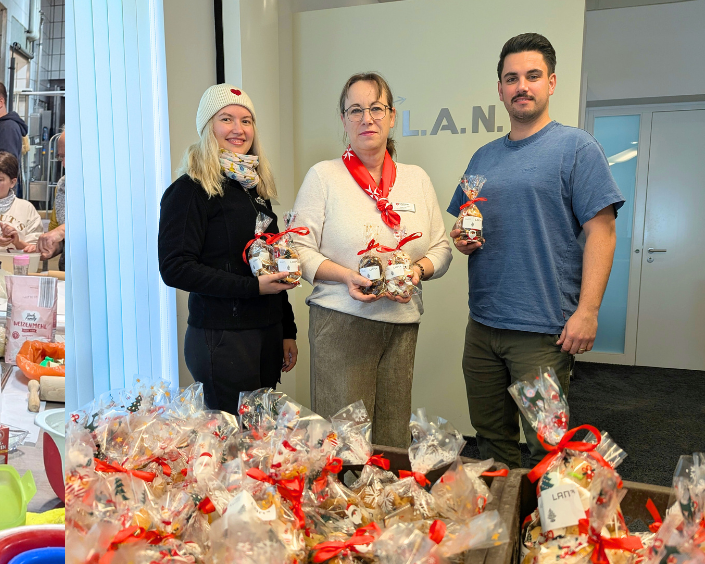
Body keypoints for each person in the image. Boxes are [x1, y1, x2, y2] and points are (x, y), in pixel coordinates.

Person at [449, 33, 622, 468]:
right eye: (511, 78)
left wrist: (588, 310)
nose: (521, 86)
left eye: (532, 76)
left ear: (552, 82)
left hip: (542, 332)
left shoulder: (576, 147)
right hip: (483, 327)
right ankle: (503, 529)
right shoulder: (483, 157)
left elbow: (602, 232)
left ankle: (554, 534)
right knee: (490, 441)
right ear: (501, 89)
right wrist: (463, 238)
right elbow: (465, 226)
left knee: (548, 448)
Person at [289, 73, 453, 447]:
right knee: (345, 442)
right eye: (355, 110)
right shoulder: (324, 176)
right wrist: (346, 276)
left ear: (392, 116)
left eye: (376, 108)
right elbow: (297, 249)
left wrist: (416, 271)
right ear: (344, 120)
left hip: (401, 323)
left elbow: (441, 250)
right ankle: (341, 505)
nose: (367, 118)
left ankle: (384, 504)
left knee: (391, 439)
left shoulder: (416, 179)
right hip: (341, 323)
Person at [158, 84, 299, 414]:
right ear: (209, 128)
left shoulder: (254, 190)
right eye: (227, 119)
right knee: (229, 451)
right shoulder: (189, 191)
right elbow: (175, 266)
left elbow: (271, 265)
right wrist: (252, 288)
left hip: (265, 336)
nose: (239, 129)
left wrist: (286, 330)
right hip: (221, 340)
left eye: (246, 120)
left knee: (257, 447)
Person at [37, 131, 66, 262]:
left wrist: (64, 230)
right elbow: (56, 231)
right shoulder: (62, 185)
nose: (64, 164)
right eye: (61, 157)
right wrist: (51, 248)